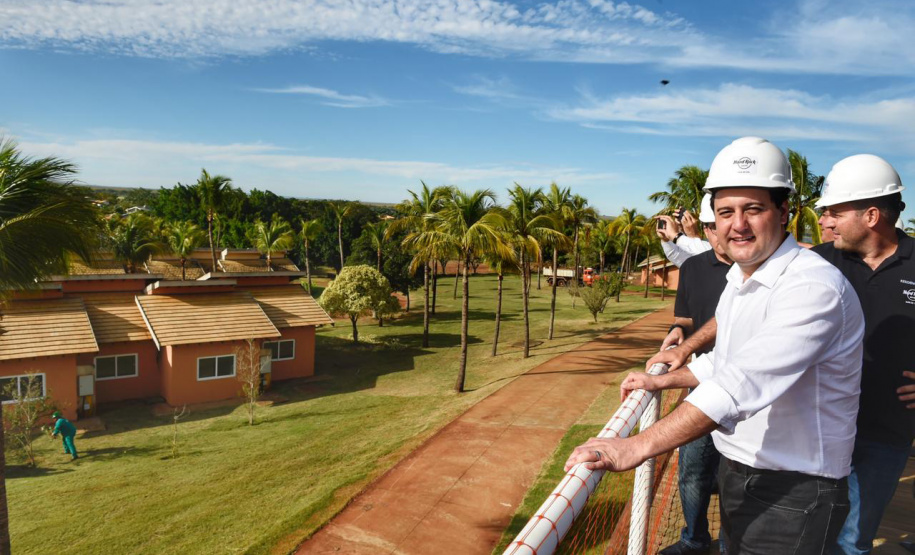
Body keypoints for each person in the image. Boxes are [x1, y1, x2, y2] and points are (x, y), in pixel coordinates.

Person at [565, 137, 865, 554]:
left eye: (753, 209)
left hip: (795, 489)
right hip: (742, 471)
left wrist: (636, 445)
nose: (737, 224)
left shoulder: (812, 286)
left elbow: (739, 385)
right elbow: (724, 362)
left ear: (783, 212)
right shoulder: (740, 279)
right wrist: (664, 381)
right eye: (726, 212)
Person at [813, 154, 915, 555]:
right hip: (818, 428)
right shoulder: (818, 263)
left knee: (853, 539)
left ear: (871, 215)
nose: (824, 221)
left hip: (886, 434)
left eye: (833, 212)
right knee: (809, 531)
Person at [658, 194, 732, 555]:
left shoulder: (755, 269)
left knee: (738, 476)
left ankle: (733, 544)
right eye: (716, 227)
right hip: (702, 385)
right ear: (706, 229)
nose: (728, 234)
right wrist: (676, 331)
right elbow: (686, 316)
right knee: (692, 469)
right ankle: (695, 539)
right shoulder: (693, 268)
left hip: (748, 390)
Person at [657, 202, 712, 268]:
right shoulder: (706, 244)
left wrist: (678, 236)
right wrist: (666, 239)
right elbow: (677, 256)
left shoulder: (720, 250)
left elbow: (707, 256)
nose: (705, 228)